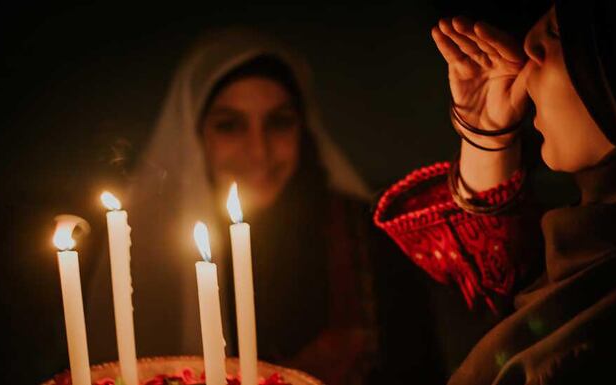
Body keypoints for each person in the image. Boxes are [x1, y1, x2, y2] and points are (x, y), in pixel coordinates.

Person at [374, 1, 616, 383]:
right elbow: (501, 285)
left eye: (557, 33)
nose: (528, 50)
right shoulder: (603, 232)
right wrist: (487, 133)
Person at [86, 27, 444, 385]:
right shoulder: (150, 252)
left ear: (303, 129)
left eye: (279, 122)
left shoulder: (371, 236)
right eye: (230, 126)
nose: (259, 152)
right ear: (195, 137)